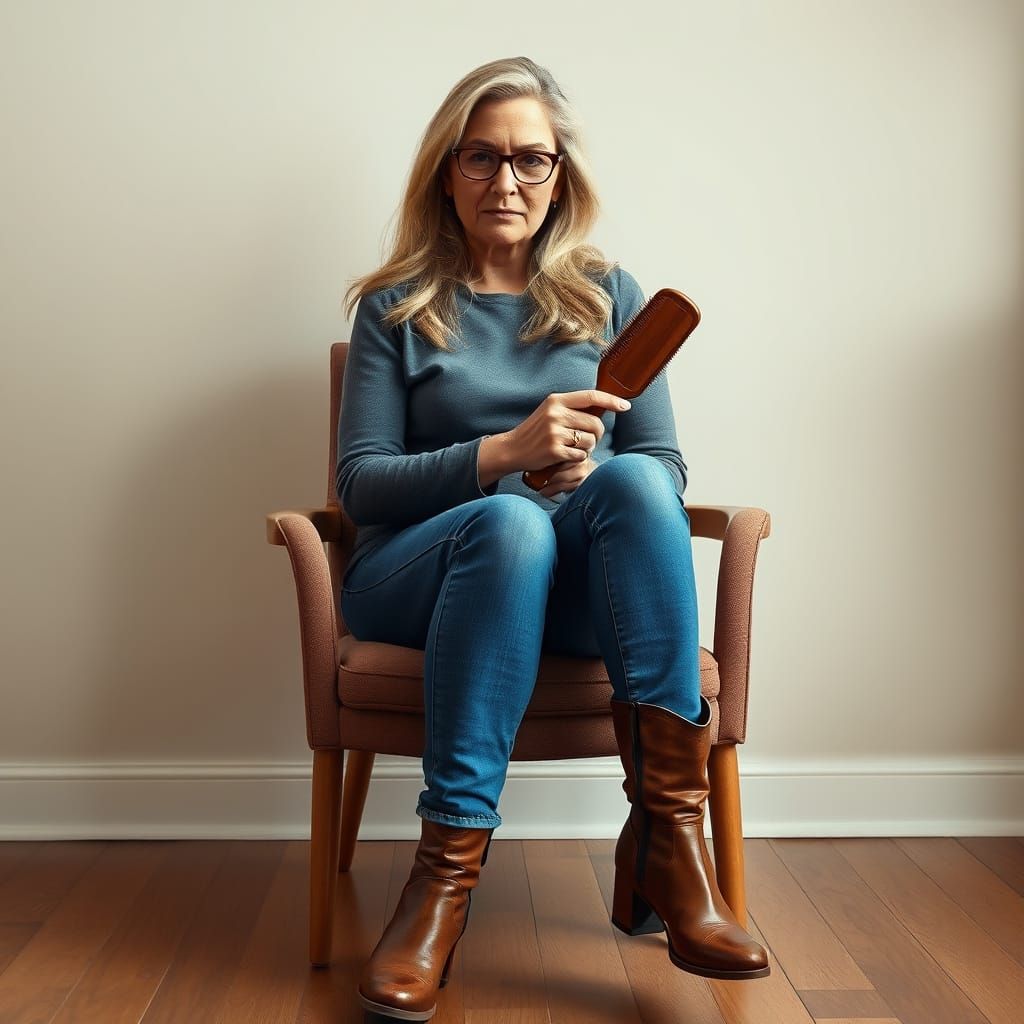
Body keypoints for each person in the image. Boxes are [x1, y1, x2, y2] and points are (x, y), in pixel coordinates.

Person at [336, 56, 769, 1022]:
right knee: (506, 527)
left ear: (560, 176)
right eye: (483, 157)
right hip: (416, 574)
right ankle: (440, 882)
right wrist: (501, 455)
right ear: (445, 171)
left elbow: (663, 465)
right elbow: (360, 487)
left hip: (572, 585)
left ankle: (669, 835)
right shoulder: (395, 307)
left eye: (532, 161)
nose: (508, 182)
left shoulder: (611, 293)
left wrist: (579, 473)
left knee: (630, 482)